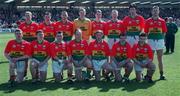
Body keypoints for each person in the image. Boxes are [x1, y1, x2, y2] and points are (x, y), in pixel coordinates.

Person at [144, 6, 167, 80]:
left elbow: (164, 32)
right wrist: (147, 42)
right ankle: (148, 74)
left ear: (159, 12)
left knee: (160, 58)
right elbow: (146, 33)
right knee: (150, 59)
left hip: (159, 41)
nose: (155, 12)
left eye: (156, 10)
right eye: (154, 11)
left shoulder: (162, 21)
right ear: (152, 11)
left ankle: (161, 74)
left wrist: (161, 39)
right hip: (151, 41)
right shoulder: (148, 21)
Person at [19, 11, 39, 78]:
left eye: (29, 15)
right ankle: (24, 75)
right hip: (24, 46)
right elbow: (19, 36)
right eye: (26, 15)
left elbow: (38, 36)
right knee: (25, 61)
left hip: (33, 46)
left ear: (31, 16)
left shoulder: (36, 25)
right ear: (25, 16)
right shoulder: (21, 25)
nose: (27, 17)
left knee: (36, 60)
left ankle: (36, 74)